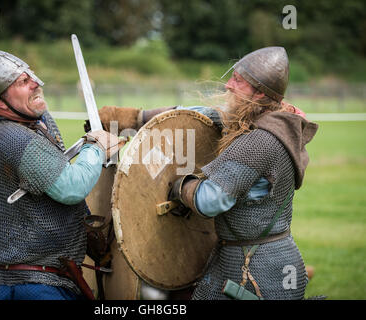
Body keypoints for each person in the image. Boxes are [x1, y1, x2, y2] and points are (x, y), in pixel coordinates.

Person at [96, 47, 318, 300]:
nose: (228, 86)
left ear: (258, 94)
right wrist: (136, 117)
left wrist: (180, 186)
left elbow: (210, 200)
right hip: (247, 256)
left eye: (238, 81)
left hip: (256, 268)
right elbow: (194, 114)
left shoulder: (259, 142)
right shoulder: (264, 122)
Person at [0, 49, 120, 300]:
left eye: (32, 76)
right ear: (1, 101)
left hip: (56, 276)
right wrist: (96, 148)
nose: (36, 83)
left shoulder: (37, 120)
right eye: (23, 82)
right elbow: (71, 187)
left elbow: (59, 170)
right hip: (29, 286)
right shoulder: (10, 136)